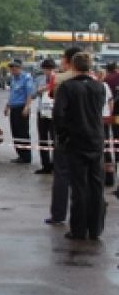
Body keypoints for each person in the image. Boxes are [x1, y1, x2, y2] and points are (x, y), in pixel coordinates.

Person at [54, 52, 108, 240]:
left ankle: (78, 228)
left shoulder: (67, 87)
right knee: (96, 185)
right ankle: (95, 228)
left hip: (76, 140)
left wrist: (63, 136)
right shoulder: (99, 87)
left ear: (73, 66)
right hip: (96, 139)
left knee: (79, 186)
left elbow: (59, 115)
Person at [47, 46, 82, 226]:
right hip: (88, 134)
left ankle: (58, 214)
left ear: (68, 60)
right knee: (83, 177)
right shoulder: (95, 80)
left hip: (65, 133)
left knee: (61, 173)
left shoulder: (60, 79)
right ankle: (83, 215)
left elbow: (52, 96)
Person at [3, 59, 36, 164]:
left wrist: (27, 107)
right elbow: (13, 94)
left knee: (23, 133)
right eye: (11, 68)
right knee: (15, 132)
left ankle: (26, 156)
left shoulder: (26, 78)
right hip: (14, 108)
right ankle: (20, 155)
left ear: (20, 68)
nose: (13, 70)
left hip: (22, 108)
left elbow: (29, 94)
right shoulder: (14, 79)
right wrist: (7, 106)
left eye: (15, 68)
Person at [34, 58, 57, 173]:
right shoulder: (39, 79)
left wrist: (49, 88)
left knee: (55, 139)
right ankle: (45, 165)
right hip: (42, 112)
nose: (48, 71)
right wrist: (39, 91)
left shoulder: (58, 78)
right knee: (43, 139)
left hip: (54, 112)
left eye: (50, 69)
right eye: (46, 69)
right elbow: (34, 93)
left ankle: (55, 164)